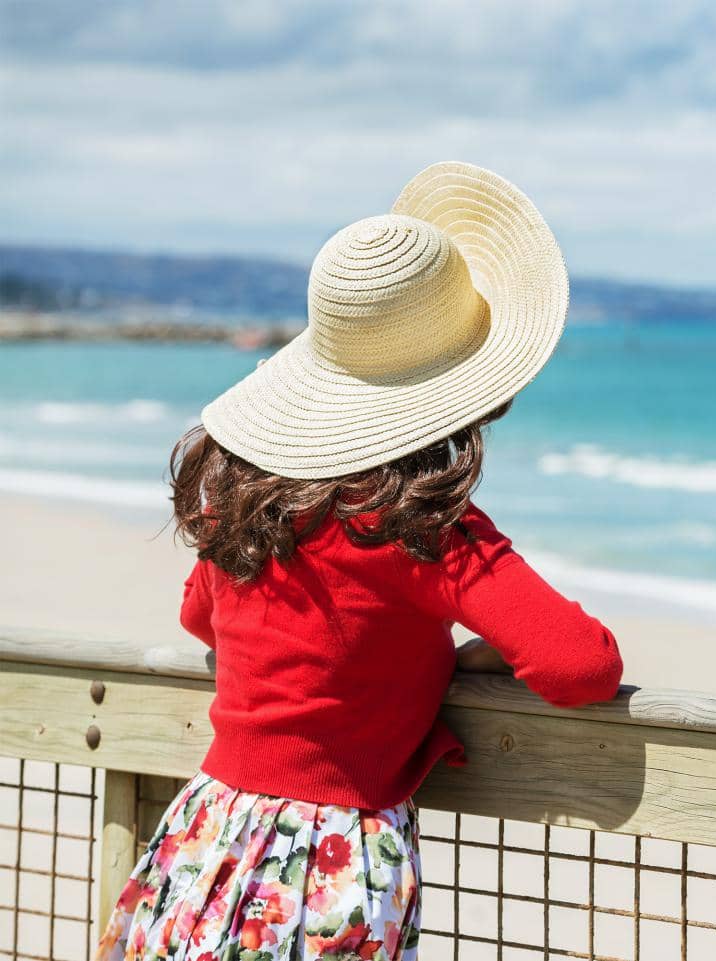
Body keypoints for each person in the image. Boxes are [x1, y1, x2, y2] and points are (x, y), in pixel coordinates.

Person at [97, 162, 624, 960]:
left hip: (208, 831)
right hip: (332, 863)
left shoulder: (247, 499)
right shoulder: (427, 527)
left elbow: (199, 616)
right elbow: (579, 664)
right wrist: (459, 659)